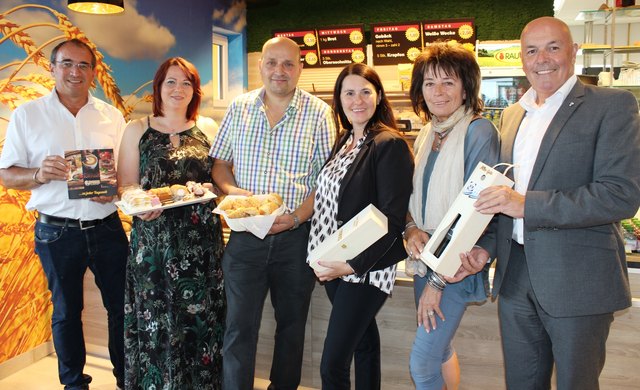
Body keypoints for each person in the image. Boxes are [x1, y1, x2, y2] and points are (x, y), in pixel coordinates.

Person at [471, 17, 640, 389]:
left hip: (578, 280)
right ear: (522, 58)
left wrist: (527, 204)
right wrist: (486, 249)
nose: (542, 59)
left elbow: (620, 194)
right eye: (532, 50)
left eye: (553, 47)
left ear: (574, 52)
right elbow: (504, 199)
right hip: (515, 277)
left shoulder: (612, 105)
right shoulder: (514, 115)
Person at [209, 36, 336, 390]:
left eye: (288, 64)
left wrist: (295, 217)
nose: (279, 71)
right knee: (238, 327)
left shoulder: (320, 113)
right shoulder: (240, 107)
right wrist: (233, 191)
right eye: (271, 63)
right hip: (245, 238)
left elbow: (326, 182)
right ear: (260, 65)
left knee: (292, 327)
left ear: (299, 68)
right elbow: (219, 164)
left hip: (296, 239)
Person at [0, 39, 126, 390]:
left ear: (94, 73)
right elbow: (7, 175)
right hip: (56, 232)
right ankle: (74, 383)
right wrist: (38, 174)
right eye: (67, 63)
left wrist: (120, 183)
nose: (75, 71)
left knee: (122, 309)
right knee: (67, 313)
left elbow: (124, 172)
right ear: (52, 67)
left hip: (107, 227)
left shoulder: (111, 115)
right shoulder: (28, 115)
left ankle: (126, 379)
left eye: (84, 65)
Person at [117, 57, 225, 389]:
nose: (178, 89)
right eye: (171, 82)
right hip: (153, 248)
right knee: (157, 325)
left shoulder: (209, 128)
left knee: (200, 323)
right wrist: (140, 205)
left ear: (195, 91)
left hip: (201, 246)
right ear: (158, 87)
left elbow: (221, 182)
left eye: (186, 83)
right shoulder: (137, 128)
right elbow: (126, 185)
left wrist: (211, 189)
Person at [309, 63, 414, 389]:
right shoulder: (346, 140)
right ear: (338, 99)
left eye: (365, 92)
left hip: (363, 266)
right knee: (364, 345)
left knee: (332, 366)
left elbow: (392, 220)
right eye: (349, 93)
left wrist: (350, 265)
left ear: (378, 96)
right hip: (333, 260)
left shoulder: (388, 144)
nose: (357, 100)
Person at [402, 42, 500, 390]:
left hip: (456, 264)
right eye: (429, 83)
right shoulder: (428, 133)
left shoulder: (478, 131)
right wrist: (411, 228)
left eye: (448, 82)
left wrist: (437, 281)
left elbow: (476, 212)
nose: (438, 92)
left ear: (466, 87)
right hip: (424, 258)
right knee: (441, 350)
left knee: (422, 362)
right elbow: (414, 198)